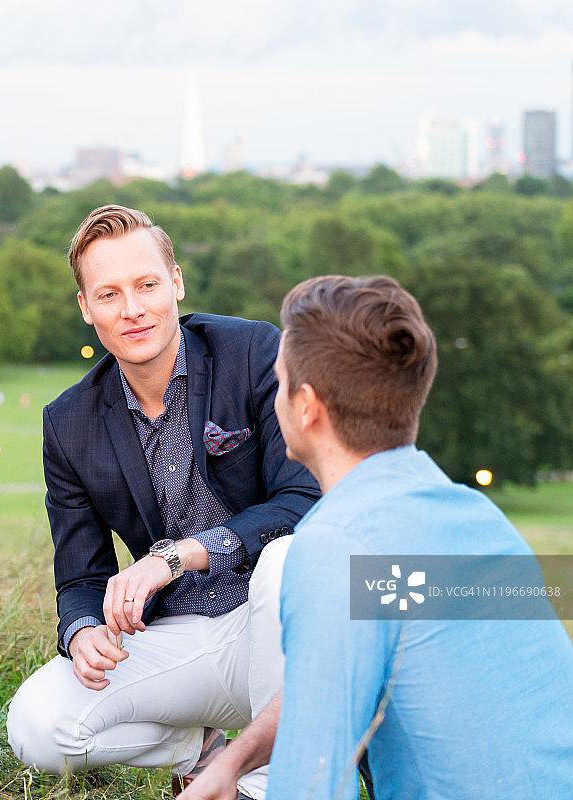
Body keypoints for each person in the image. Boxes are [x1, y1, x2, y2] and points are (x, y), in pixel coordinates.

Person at [179, 274, 573, 800]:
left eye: (278, 382)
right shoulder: (474, 518)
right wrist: (236, 761)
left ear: (306, 406)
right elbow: (348, 669)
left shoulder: (334, 546)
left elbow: (313, 785)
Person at [6, 205, 319, 799]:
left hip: (282, 628)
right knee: (36, 726)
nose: (132, 309)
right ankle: (200, 750)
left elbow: (304, 499)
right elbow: (80, 575)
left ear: (175, 282)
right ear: (85, 307)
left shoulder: (252, 352)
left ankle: (264, 788)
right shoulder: (68, 423)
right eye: (109, 294)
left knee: (285, 562)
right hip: (181, 637)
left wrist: (178, 556)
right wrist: (80, 631)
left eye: (147, 284)